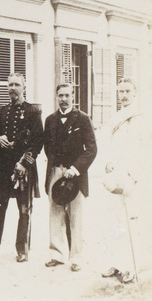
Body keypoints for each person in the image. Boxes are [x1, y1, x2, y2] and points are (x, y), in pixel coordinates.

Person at [0, 73, 43, 262]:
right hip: (4, 166)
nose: (12, 88)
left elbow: (37, 143)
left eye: (16, 84)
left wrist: (25, 163)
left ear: (24, 87)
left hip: (23, 166)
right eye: (9, 84)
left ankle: (22, 249)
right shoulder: (2, 111)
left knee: (24, 209)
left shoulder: (33, 112)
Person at [100, 78, 151, 284]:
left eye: (128, 91)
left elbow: (146, 149)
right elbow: (108, 144)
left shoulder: (143, 117)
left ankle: (131, 266)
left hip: (133, 177)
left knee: (132, 221)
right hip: (116, 175)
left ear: (135, 93)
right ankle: (117, 263)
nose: (124, 95)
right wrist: (109, 163)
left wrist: (134, 174)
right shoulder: (115, 117)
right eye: (120, 91)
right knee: (115, 221)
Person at [43, 83, 97, 272]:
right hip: (56, 172)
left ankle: (77, 258)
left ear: (73, 96)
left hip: (76, 175)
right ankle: (57, 255)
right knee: (55, 213)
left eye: (67, 95)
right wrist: (57, 165)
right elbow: (47, 146)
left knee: (76, 216)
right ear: (56, 97)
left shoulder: (83, 119)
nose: (63, 99)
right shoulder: (50, 120)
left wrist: (74, 168)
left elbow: (91, 149)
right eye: (60, 95)